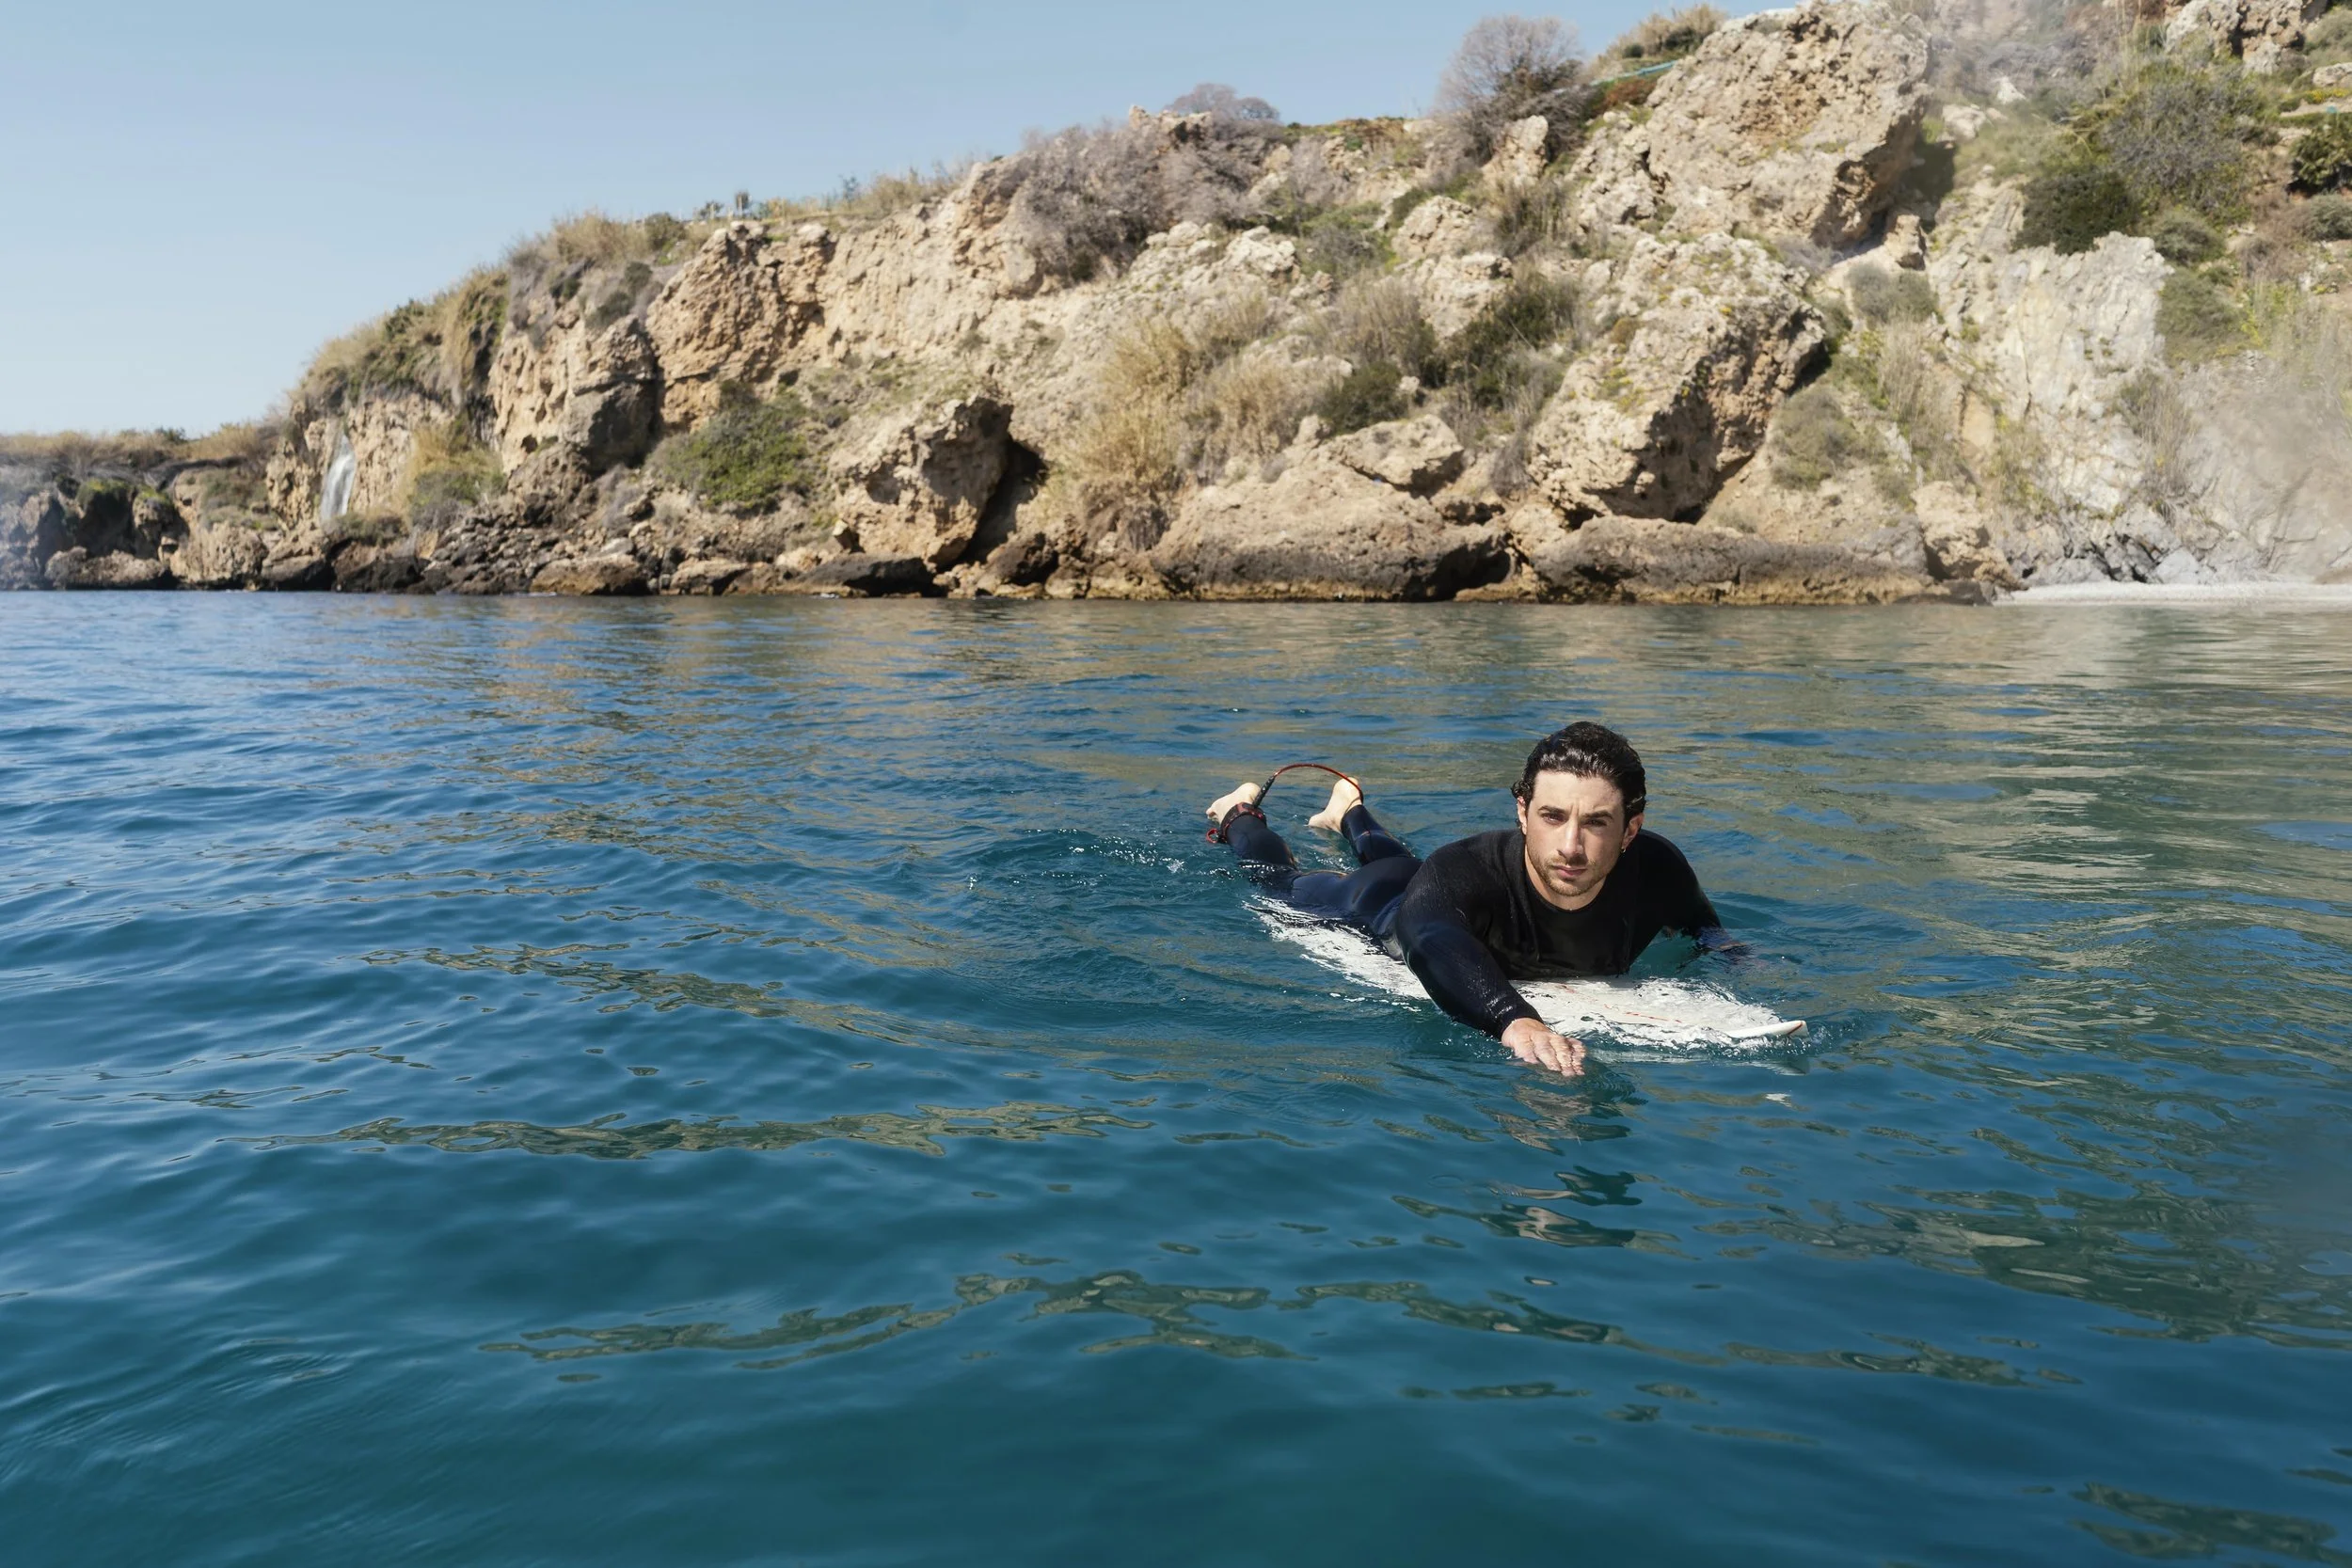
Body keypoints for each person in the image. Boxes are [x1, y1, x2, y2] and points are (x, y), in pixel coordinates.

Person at [1206, 722, 1726, 1077]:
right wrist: (1511, 1016)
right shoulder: (1466, 870)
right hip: (1379, 909)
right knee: (1275, 879)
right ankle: (1239, 814)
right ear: (1522, 812)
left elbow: (1704, 926)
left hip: (1424, 880)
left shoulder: (1657, 868)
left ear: (1631, 829)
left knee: (1403, 861)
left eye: (1596, 823)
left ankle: (1348, 812)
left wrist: (1731, 957)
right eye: (1552, 817)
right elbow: (1430, 939)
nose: (1571, 846)